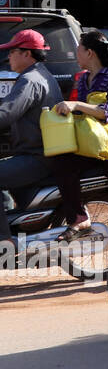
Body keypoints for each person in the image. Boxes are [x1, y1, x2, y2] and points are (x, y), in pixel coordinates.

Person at [48, 30, 108, 246]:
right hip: (93, 142)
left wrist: (77, 105)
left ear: (89, 53)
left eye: (79, 49)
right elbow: (83, 115)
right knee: (61, 162)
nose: (76, 54)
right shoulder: (83, 79)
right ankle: (79, 219)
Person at [0, 30, 62, 243]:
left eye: (12, 51)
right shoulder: (41, 74)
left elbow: (6, 113)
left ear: (27, 54)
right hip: (37, 153)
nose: (8, 57)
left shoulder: (29, 80)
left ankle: (3, 240)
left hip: (36, 157)